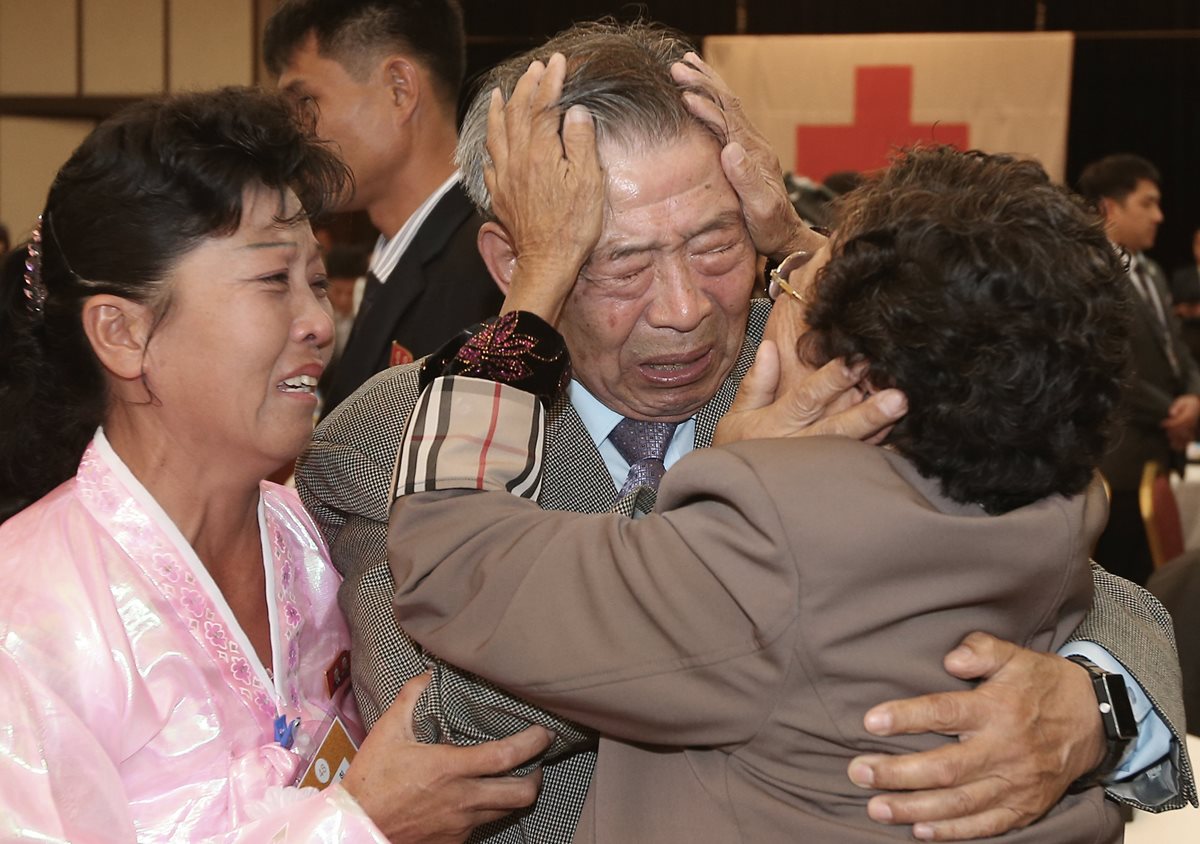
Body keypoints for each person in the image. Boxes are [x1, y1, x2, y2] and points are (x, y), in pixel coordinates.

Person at [296, 21, 1193, 842]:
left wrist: (1097, 702)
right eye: (620, 263)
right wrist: (718, 521)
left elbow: (1088, 581)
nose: (684, 310)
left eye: (717, 245)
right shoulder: (387, 439)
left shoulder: (830, 358)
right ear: (515, 262)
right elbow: (448, 723)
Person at [0, 87, 550, 842]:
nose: (320, 323)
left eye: (319, 282)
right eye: (271, 282)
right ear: (122, 333)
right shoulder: (28, 619)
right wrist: (362, 825)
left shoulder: (316, 535)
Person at [264, 0, 502, 416]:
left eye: (306, 102)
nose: (294, 132)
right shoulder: (410, 247)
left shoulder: (486, 264)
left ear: (399, 89)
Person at [1079, 154, 1200, 586]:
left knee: (1152, 581)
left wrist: (1193, 396)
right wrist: (1172, 411)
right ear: (1109, 208)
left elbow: (1177, 351)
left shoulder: (1152, 272)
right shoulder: (1090, 274)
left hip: (1157, 449)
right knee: (1117, 584)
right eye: (1147, 204)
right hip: (1121, 454)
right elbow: (1108, 361)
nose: (1160, 216)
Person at [1170, 225, 1200, 363]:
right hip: (1189, 342)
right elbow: (1172, 309)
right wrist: (1188, 311)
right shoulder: (1181, 276)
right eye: (1198, 243)